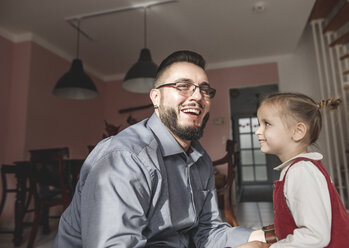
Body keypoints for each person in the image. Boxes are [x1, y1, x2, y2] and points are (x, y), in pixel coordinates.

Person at [53, 50, 269, 248]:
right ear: (156, 98)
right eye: (182, 86)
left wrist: (268, 237)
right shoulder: (124, 158)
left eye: (204, 89)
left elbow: (208, 232)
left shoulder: (200, 158)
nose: (197, 96)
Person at [253, 92, 349, 247]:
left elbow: (315, 235)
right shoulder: (297, 169)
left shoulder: (301, 172)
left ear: (297, 131)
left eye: (267, 124)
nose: (258, 131)